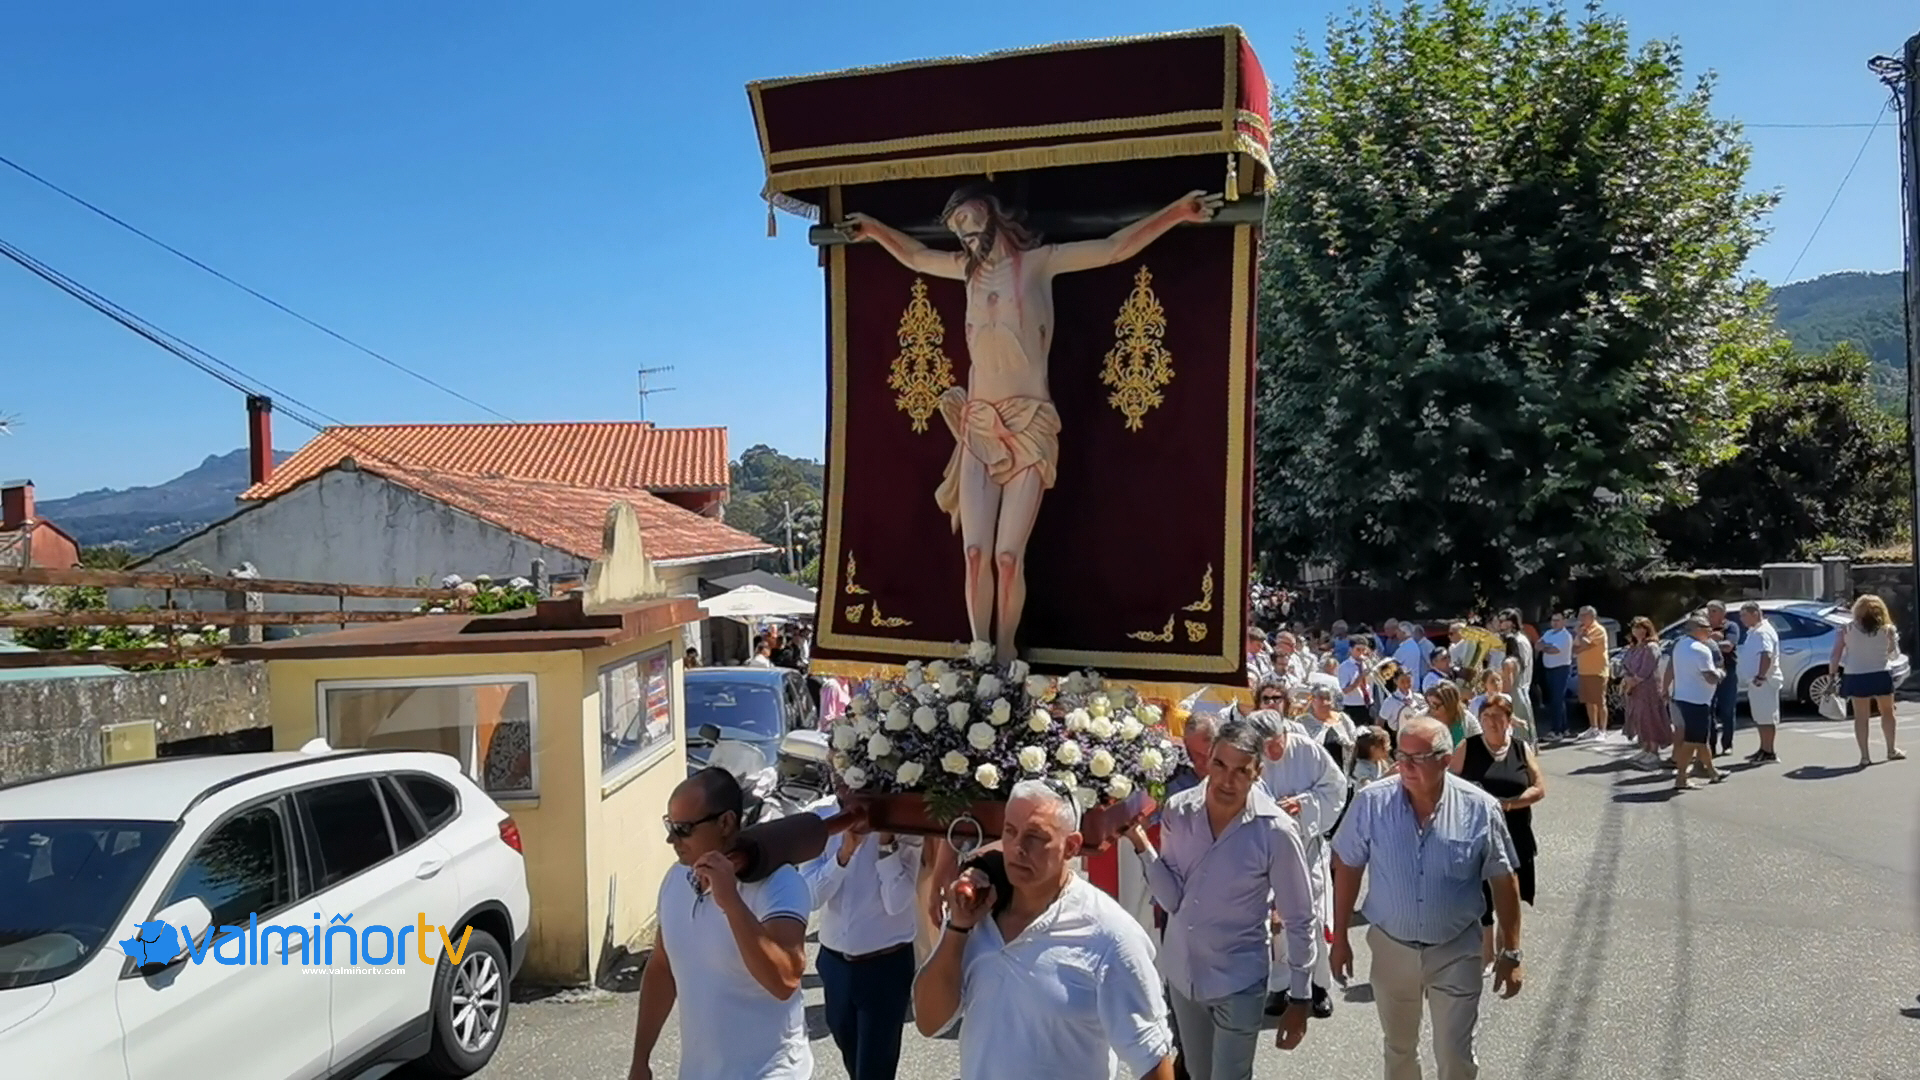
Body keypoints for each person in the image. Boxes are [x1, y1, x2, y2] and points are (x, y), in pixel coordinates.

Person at [843, 185, 1222, 660]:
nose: (962, 231)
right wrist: (874, 230)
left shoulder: (1040, 263)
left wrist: (1176, 212)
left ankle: (1005, 654)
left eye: (967, 217)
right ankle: (980, 655)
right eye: (955, 226)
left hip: (1029, 426)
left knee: (1006, 556)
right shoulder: (965, 271)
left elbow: (1113, 248)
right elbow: (917, 257)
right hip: (979, 425)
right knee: (975, 554)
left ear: (992, 212)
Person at [915, 779, 1177, 1080]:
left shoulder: (1111, 935)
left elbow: (1153, 1061)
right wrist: (957, 928)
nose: (1018, 848)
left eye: (1036, 837)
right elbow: (929, 1021)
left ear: (1072, 846)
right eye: (1010, 831)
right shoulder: (976, 911)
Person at [1330, 716, 1525, 1080]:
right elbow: (1348, 866)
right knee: (1399, 1049)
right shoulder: (1372, 803)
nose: (1404, 766)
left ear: (1445, 759)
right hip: (1392, 947)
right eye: (1401, 755)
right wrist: (1339, 937)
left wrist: (1510, 952)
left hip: (1456, 948)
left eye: (1417, 758)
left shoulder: (1479, 808)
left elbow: (1504, 879)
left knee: (1454, 1052)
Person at [1126, 720, 1316, 1078]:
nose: (1228, 781)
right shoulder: (1179, 810)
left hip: (1238, 980)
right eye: (1220, 765)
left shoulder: (1275, 830)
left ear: (1258, 772)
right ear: (1208, 761)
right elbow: (1173, 900)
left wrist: (1300, 997)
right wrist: (1141, 844)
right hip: (1184, 977)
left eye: (1241, 770)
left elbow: (1300, 917)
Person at [628, 768, 811, 1080]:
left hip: (770, 1072)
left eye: (683, 829)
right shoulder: (675, 879)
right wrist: (640, 1059)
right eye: (670, 825)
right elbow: (662, 967)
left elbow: (785, 980)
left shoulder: (780, 884)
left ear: (725, 823)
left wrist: (732, 903)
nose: (671, 839)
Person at [802, 806, 922, 1080]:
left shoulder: (905, 826)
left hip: (885, 965)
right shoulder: (820, 817)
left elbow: (897, 902)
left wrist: (886, 844)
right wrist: (844, 854)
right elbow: (811, 897)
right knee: (851, 1056)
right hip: (834, 963)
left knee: (874, 1069)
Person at [1245, 708, 1348, 1019]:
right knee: (1275, 920)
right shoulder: (1251, 758)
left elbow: (1335, 788)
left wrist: (1302, 804)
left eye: (1277, 742)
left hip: (1307, 845)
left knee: (1312, 915)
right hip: (1267, 847)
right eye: (1265, 746)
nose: (1273, 751)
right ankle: (1279, 985)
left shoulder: (1308, 751)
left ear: (1285, 733)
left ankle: (1318, 985)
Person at [1448, 695, 1544, 975]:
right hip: (1475, 833)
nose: (1492, 722)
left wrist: (1509, 804)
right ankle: (1486, 954)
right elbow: (1450, 784)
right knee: (1481, 895)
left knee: (1511, 893)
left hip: (1515, 831)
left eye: (1498, 716)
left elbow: (1539, 787)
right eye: (1486, 716)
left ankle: (1508, 950)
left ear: (1509, 720)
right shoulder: (1468, 746)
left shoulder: (1521, 748)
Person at [1831, 593, 1906, 766]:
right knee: (1887, 712)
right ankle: (1891, 749)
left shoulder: (1846, 629)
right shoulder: (1888, 629)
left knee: (1861, 716)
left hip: (1855, 674)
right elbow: (1894, 656)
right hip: (1880, 673)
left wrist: (1832, 675)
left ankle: (1865, 756)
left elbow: (1835, 655)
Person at [1662, 617, 1726, 790]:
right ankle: (1681, 778)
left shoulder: (1680, 644)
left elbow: (1672, 668)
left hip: (1684, 697)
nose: (1710, 631)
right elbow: (1710, 677)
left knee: (1700, 740)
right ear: (1696, 629)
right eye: (1706, 627)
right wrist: (1721, 673)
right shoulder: (1701, 650)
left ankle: (1712, 772)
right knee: (1692, 742)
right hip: (1697, 701)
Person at [1619, 617, 1671, 768]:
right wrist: (1627, 678)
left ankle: (1654, 750)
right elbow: (1625, 665)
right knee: (1639, 718)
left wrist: (1634, 681)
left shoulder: (1651, 647)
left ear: (1647, 629)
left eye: (1640, 628)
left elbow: (1646, 669)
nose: (1637, 631)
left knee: (1650, 718)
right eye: (1635, 628)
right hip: (1634, 689)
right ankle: (1645, 748)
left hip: (1648, 688)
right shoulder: (1634, 647)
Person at [1738, 602, 1783, 764]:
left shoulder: (1763, 632)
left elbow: (1766, 654)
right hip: (1757, 682)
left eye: (1744, 615)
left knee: (1767, 717)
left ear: (1755, 614)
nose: (1742, 619)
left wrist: (1761, 676)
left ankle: (1769, 752)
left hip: (1764, 682)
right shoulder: (1755, 631)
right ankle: (1763, 748)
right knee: (1760, 717)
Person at [1703, 600, 1743, 755]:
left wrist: (1709, 642)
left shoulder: (1731, 627)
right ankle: (1711, 746)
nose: (1710, 614)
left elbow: (1728, 646)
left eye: (1714, 611)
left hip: (1727, 673)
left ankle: (1727, 744)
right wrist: (1711, 639)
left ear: (1723, 613)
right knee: (1709, 710)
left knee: (1727, 710)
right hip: (1708, 673)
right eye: (1709, 611)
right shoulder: (1704, 628)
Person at [1571, 607, 1611, 741]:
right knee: (1588, 701)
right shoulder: (1582, 631)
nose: (1580, 619)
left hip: (1597, 670)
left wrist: (1581, 636)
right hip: (1584, 670)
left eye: (1583, 616)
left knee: (1600, 701)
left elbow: (1587, 644)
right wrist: (1581, 638)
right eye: (1580, 615)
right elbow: (1575, 648)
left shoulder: (1598, 630)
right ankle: (1593, 727)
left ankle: (1603, 730)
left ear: (1592, 616)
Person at [1537, 612, 1573, 739]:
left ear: (1564, 622)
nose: (1555, 623)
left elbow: (1555, 650)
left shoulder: (1565, 636)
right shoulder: (1548, 633)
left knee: (1556, 700)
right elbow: (1538, 645)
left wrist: (1545, 647)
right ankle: (1564, 728)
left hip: (1560, 669)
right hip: (1549, 669)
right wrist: (1547, 647)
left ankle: (1556, 730)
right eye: (1553, 620)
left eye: (1558, 620)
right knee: (1556, 699)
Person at [1338, 638, 1376, 729]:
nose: (1361, 653)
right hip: (1353, 706)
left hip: (1369, 704)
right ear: (1351, 650)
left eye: (1363, 650)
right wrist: (1360, 677)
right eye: (1358, 650)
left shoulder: (1368, 663)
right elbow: (1345, 690)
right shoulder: (1344, 667)